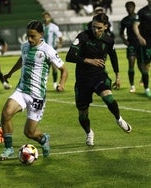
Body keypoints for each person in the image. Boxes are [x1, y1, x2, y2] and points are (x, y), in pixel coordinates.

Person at [0, 20, 68, 160]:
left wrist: (61, 84)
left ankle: (43, 139)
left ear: (41, 34)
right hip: (22, 90)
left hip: (37, 96)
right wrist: (11, 73)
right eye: (28, 36)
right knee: (6, 113)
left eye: (33, 36)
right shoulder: (25, 47)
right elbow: (22, 60)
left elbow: (64, 70)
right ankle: (8, 148)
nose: (29, 39)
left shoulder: (48, 50)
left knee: (29, 133)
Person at [65, 13, 132, 146]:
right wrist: (88, 60)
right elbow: (69, 56)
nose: (96, 30)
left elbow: (113, 56)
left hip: (99, 76)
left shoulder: (108, 40)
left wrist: (117, 75)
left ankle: (119, 119)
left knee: (108, 97)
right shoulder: (83, 36)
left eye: (99, 28)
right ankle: (89, 133)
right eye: (94, 27)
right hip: (83, 80)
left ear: (106, 27)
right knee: (82, 113)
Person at [42, 11, 68, 91]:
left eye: (47, 17)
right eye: (44, 17)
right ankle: (43, 85)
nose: (46, 19)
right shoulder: (41, 27)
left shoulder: (54, 27)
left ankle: (55, 84)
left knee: (54, 68)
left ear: (50, 18)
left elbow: (60, 37)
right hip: (42, 51)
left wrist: (60, 44)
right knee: (44, 69)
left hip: (51, 50)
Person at [119, 1, 142, 93]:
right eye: (127, 8)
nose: (129, 9)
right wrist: (124, 40)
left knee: (142, 65)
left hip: (140, 44)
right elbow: (121, 33)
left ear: (134, 7)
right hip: (131, 45)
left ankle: (143, 80)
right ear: (126, 9)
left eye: (131, 7)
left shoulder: (140, 18)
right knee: (131, 64)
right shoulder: (125, 20)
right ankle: (132, 86)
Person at [133, 0, 151, 97]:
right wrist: (139, 37)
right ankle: (147, 89)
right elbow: (135, 25)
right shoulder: (142, 12)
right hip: (146, 42)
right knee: (145, 66)